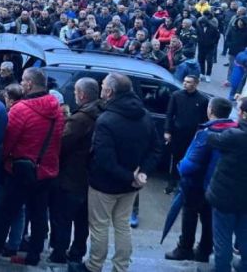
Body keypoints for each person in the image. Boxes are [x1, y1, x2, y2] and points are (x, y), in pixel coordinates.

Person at [70, 73, 162, 272]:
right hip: (131, 185)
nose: (101, 88)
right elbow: (156, 147)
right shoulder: (144, 114)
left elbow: (104, 159)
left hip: (104, 185)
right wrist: (141, 174)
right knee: (122, 226)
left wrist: (133, 176)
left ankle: (94, 266)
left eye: (103, 86)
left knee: (100, 226)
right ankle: (120, 267)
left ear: (109, 91)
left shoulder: (106, 120)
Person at [0, 67, 64, 267]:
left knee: (5, 214)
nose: (21, 83)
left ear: (29, 84)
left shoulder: (21, 109)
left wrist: (3, 162)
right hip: (46, 170)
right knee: (39, 215)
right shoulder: (56, 109)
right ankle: (34, 255)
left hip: (20, 171)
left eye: (23, 80)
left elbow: (8, 141)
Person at [165, 97, 236, 263]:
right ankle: (204, 250)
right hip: (220, 185)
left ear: (210, 111)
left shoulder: (207, 133)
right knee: (209, 217)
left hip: (197, 184)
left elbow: (190, 164)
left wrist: (180, 166)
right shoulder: (234, 132)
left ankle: (185, 248)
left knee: (190, 214)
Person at [49, 77, 104, 264]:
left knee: (63, 217)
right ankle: (77, 252)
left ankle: (59, 252)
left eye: (75, 93)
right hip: (90, 177)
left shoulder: (80, 119)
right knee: (82, 221)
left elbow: (62, 143)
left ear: (81, 95)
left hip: (72, 176)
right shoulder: (101, 113)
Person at [206, 97, 247, 272]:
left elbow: (212, 138)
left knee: (222, 237)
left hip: (225, 195)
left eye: (239, 109)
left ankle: (221, 268)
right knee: (244, 234)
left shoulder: (234, 135)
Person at [164, 75, 209, 194]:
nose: (185, 84)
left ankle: (182, 183)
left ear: (195, 84)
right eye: (184, 81)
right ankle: (171, 183)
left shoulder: (202, 100)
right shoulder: (176, 95)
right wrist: (167, 131)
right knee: (175, 159)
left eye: (188, 82)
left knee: (188, 159)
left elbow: (204, 119)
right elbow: (169, 114)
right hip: (177, 134)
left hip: (192, 136)